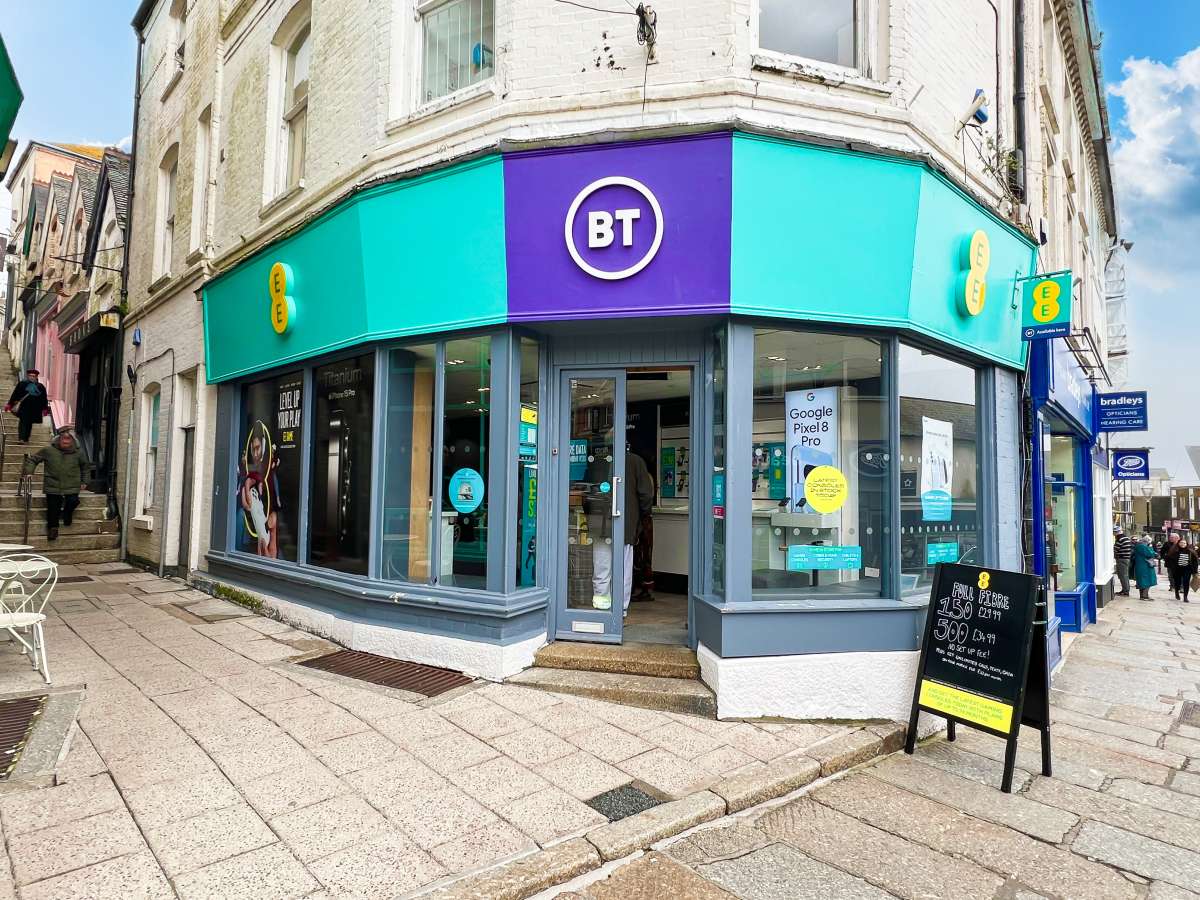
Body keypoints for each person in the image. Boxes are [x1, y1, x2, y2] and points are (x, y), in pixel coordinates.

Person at [589, 442, 655, 615]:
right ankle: (620, 609)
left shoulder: (598, 461)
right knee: (623, 568)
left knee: (601, 567)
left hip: (600, 523)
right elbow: (646, 495)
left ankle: (601, 606)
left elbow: (588, 491)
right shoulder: (636, 462)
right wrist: (642, 516)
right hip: (625, 523)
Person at [23, 430, 90, 540]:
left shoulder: (79, 453)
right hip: (52, 484)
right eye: (64, 439)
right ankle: (53, 529)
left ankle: (67, 513)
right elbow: (33, 460)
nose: (65, 442)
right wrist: (29, 472)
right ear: (59, 439)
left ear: (72, 441)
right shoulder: (48, 450)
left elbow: (85, 468)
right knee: (53, 506)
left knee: (73, 501)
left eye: (68, 439)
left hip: (72, 484)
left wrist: (85, 481)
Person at [5, 369, 50, 443]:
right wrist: (10, 404)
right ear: (28, 376)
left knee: (29, 423)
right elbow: (15, 394)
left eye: (33, 376)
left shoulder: (40, 386)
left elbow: (43, 398)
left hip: (34, 408)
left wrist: (45, 408)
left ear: (36, 377)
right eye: (30, 376)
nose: (31, 377)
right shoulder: (22, 384)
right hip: (23, 407)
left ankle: (26, 438)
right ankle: (21, 438)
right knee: (23, 421)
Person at [1132, 535, 1158, 601]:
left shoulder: (1139, 546)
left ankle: (1142, 596)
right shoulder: (1143, 546)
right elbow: (1150, 554)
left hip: (1141, 565)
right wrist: (1151, 548)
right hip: (1145, 566)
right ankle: (1145, 596)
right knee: (1147, 581)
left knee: (1142, 581)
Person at [1113, 526, 1133, 596]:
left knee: (1122, 575)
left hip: (1121, 559)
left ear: (1116, 532)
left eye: (1114, 532)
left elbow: (1115, 549)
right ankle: (1125, 590)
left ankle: (1125, 591)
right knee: (1125, 575)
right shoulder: (1126, 538)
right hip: (1126, 558)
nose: (1113, 534)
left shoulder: (1120, 539)